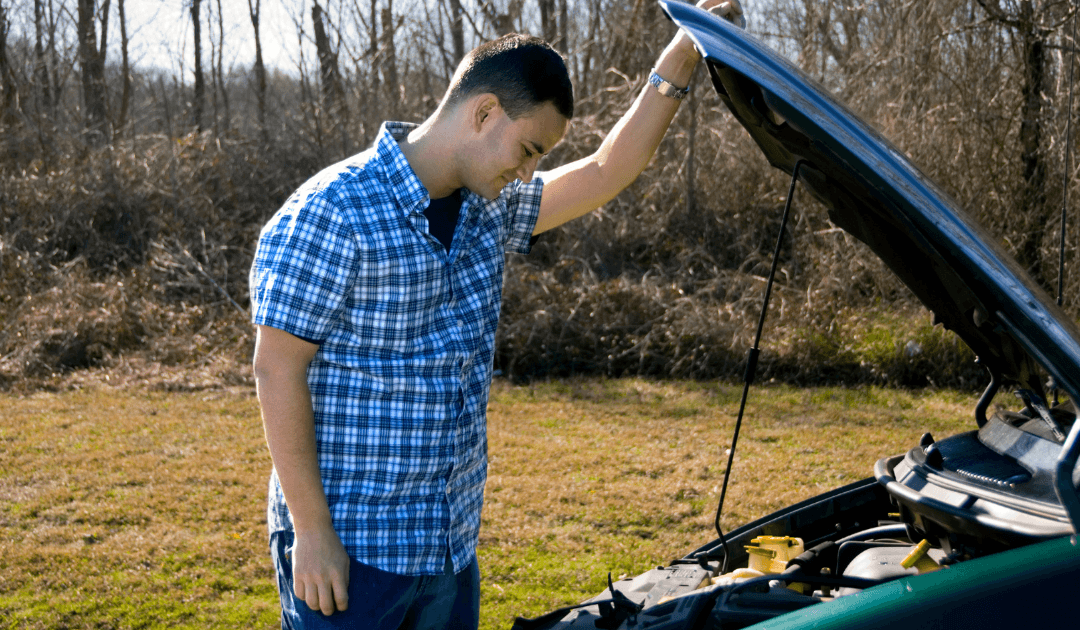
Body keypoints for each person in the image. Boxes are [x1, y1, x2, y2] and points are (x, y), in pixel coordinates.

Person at [249, 2, 744, 628]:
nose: (528, 170)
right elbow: (276, 369)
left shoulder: (490, 209)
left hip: (448, 552)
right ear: (484, 112)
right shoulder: (332, 212)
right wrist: (312, 533)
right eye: (528, 148)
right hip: (350, 556)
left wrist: (680, 56)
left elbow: (606, 170)